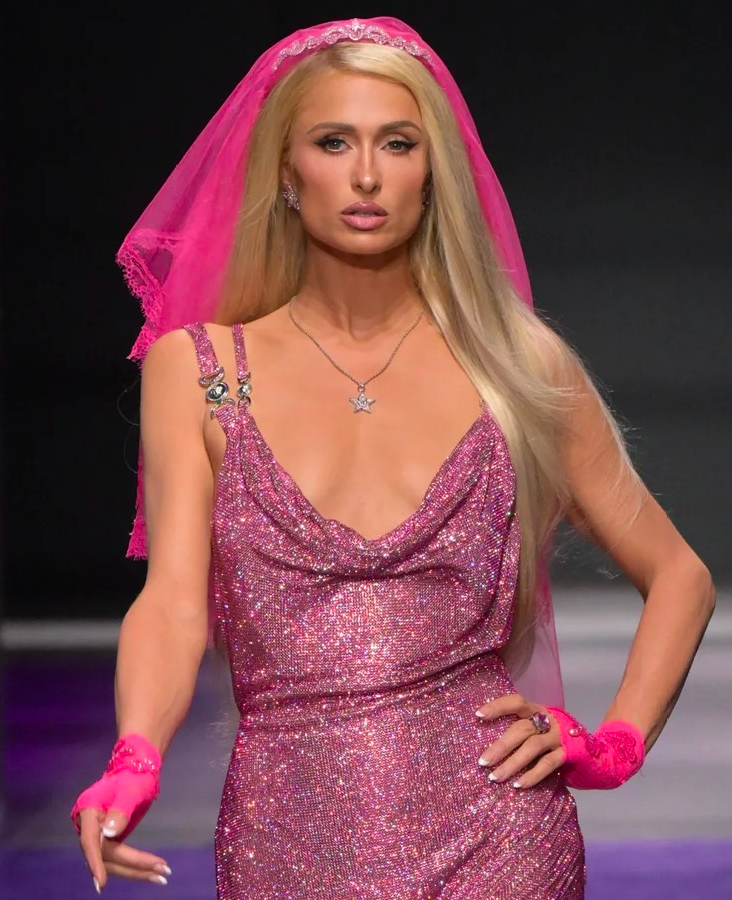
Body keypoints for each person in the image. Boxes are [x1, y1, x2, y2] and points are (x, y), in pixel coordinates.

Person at [70, 17, 715, 900]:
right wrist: (134, 755)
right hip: (285, 835)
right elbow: (176, 602)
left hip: (501, 834)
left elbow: (680, 574)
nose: (367, 174)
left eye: (398, 143)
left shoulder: (518, 368)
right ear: (287, 171)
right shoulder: (201, 370)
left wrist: (615, 745)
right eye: (334, 142)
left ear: (432, 171)